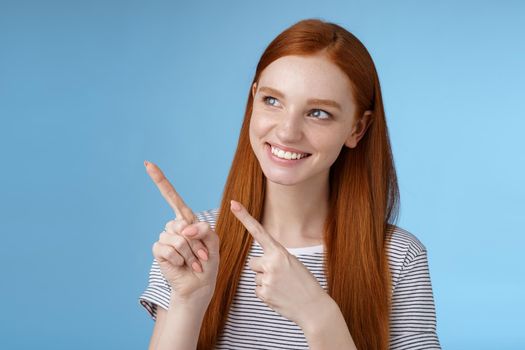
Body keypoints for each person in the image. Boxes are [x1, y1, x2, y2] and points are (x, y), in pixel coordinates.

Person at [139, 18, 441, 350]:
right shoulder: (195, 244)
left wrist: (318, 315)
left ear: (357, 128)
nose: (287, 132)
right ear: (253, 99)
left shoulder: (398, 257)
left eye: (319, 113)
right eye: (272, 101)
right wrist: (188, 301)